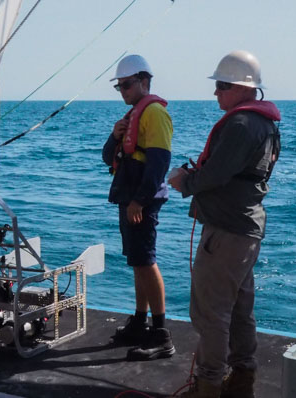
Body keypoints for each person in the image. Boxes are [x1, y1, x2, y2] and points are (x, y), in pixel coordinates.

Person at [168, 50, 281, 397]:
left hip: (226, 233)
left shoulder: (241, 124)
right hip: (246, 230)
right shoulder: (264, 124)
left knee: (211, 313)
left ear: (242, 88)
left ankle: (209, 386)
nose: (215, 93)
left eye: (221, 86)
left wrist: (183, 182)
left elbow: (216, 174)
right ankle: (242, 379)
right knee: (240, 310)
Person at [102, 54, 175, 361]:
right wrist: (114, 135)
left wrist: (139, 201)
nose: (124, 91)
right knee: (137, 260)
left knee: (145, 260)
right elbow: (109, 157)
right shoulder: (132, 116)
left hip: (140, 200)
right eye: (119, 87)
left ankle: (161, 334)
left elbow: (159, 162)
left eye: (128, 85)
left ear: (144, 81)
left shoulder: (154, 113)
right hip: (129, 197)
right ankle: (140, 321)